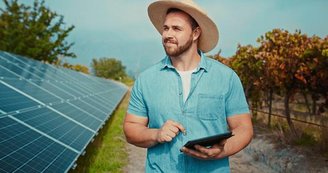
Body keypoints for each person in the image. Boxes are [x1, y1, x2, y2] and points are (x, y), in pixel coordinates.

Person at [123, 0, 253, 172]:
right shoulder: (146, 80)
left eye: (176, 28)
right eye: (165, 28)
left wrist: (221, 151)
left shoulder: (226, 78)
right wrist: (156, 134)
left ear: (195, 33)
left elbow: (244, 128)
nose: (168, 34)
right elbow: (131, 127)